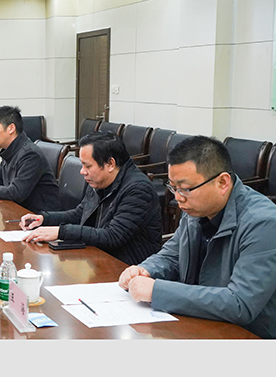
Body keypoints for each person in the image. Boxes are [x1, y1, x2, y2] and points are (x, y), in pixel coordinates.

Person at [118, 135, 276, 338]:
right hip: (198, 322)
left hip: (246, 335)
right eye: (173, 187)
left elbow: (240, 303)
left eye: (185, 189)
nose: (178, 198)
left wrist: (157, 291)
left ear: (223, 182)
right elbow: (172, 256)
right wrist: (145, 270)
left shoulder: (264, 223)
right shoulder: (196, 208)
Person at [20, 131, 162, 265]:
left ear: (110, 164)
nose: (82, 171)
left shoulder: (138, 190)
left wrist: (60, 232)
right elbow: (80, 214)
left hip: (127, 269)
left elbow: (112, 236)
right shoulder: (100, 181)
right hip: (98, 258)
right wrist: (43, 219)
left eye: (87, 166)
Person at [0, 105, 60, 213]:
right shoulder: (9, 150)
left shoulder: (30, 155)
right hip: (20, 212)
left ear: (11, 128)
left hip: (39, 216)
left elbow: (16, 193)